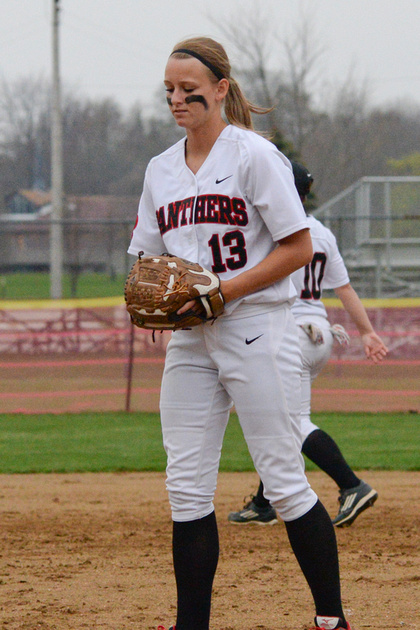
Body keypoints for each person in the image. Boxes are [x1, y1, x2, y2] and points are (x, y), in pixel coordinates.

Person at [129, 37, 352, 630]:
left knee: (282, 478)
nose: (178, 100)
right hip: (191, 340)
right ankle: (191, 625)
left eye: (190, 89)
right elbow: (145, 259)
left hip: (257, 325)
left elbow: (299, 246)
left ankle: (331, 619)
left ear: (222, 89)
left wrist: (226, 291)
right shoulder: (161, 169)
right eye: (169, 91)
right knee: (186, 486)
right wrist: (151, 298)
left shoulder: (254, 155)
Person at [228, 162, 388, 528]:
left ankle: (351, 485)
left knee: (290, 421)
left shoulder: (270, 228)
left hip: (289, 333)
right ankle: (263, 502)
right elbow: (343, 288)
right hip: (320, 335)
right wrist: (366, 332)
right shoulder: (321, 233)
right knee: (282, 415)